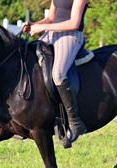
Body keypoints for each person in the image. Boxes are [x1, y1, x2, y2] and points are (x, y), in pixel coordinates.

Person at [22, 0, 88, 143]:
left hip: (70, 35)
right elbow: (51, 18)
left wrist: (43, 27)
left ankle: (75, 122)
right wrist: (35, 25)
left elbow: (74, 23)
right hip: (51, 35)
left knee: (58, 75)